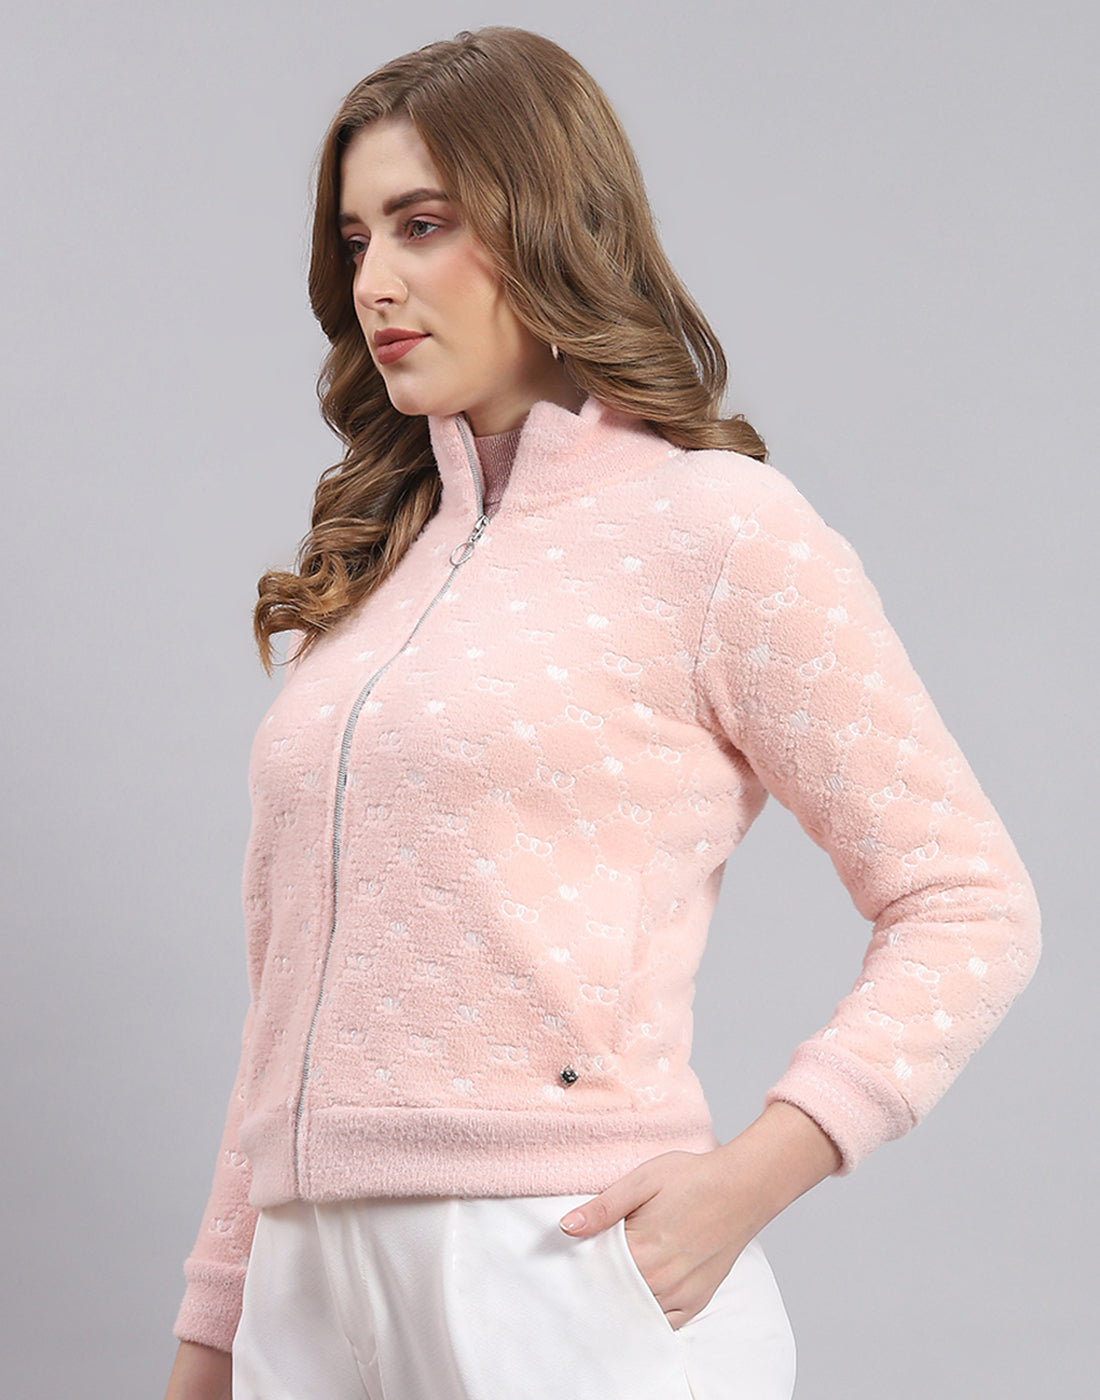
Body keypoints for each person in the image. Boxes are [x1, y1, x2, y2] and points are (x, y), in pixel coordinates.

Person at [163, 26, 1041, 1400]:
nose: (375, 281)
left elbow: (970, 903)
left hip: (555, 1270)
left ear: (545, 223)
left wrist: (755, 1177)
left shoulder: (716, 529)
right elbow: (287, 1010)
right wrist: (214, 1329)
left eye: (423, 225)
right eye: (355, 239)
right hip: (306, 1290)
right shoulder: (370, 577)